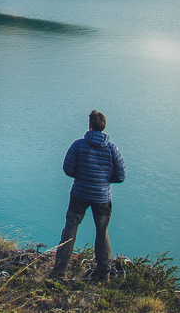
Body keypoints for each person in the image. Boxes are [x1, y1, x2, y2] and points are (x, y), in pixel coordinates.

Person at [51, 109, 125, 282]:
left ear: (90, 125)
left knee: (70, 228)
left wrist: (82, 176)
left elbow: (67, 168)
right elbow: (120, 176)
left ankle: (60, 270)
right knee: (102, 232)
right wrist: (104, 181)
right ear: (104, 127)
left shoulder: (78, 145)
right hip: (102, 197)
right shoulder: (112, 149)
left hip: (80, 194)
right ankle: (104, 274)